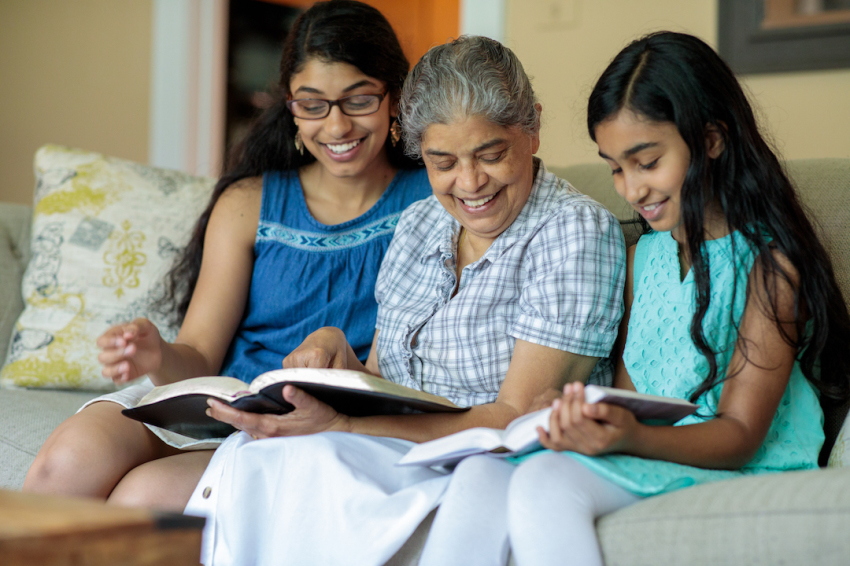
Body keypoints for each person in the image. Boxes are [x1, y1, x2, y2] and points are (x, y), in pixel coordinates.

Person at [179, 35, 626, 565]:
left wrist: (343, 427)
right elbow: (386, 383)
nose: (470, 183)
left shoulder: (574, 230)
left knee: (302, 460)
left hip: (479, 458)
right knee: (269, 457)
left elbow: (514, 418)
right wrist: (336, 352)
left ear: (531, 129)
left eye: (491, 154)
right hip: (396, 446)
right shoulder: (419, 223)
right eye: (443, 162)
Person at [418, 31, 850, 566]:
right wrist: (576, 417)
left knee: (545, 486)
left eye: (647, 163)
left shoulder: (770, 268)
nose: (630, 189)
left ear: (712, 139)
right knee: (480, 473)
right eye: (616, 168)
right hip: (652, 452)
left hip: (743, 461)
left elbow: (739, 436)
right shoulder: (645, 258)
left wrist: (625, 438)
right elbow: (629, 397)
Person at [22, 0, 432, 510]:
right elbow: (197, 356)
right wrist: (157, 355)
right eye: (313, 104)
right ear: (289, 105)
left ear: (394, 95)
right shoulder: (248, 202)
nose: (336, 126)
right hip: (222, 401)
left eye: (359, 100)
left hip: (318, 425)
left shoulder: (434, 198)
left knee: (139, 499)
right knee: (62, 466)